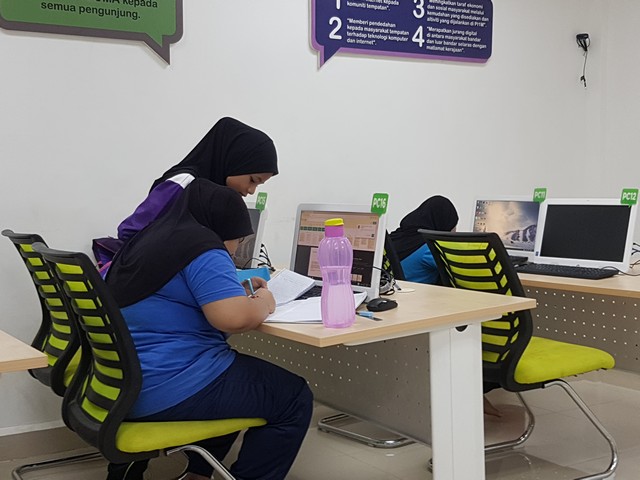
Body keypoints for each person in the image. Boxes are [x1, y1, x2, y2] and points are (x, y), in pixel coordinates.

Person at [105, 179, 312, 480]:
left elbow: (176, 292)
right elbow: (234, 320)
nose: (237, 249)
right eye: (238, 240)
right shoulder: (203, 247)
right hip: (166, 386)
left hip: (119, 384)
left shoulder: (152, 239)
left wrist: (232, 288)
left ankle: (198, 474)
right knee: (293, 397)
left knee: (240, 376)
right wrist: (265, 301)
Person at [93, 117, 279, 268]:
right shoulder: (184, 183)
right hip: (143, 278)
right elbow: (131, 231)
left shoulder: (215, 196)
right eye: (253, 180)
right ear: (236, 160)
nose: (251, 191)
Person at [390, 196, 502, 417]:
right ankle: (473, 394)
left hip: (400, 313)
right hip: (420, 318)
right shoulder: (428, 248)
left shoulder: (398, 238)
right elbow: (468, 267)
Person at [390, 195, 459, 285]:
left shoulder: (396, 236)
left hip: (391, 290)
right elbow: (460, 271)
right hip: (416, 293)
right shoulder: (430, 248)